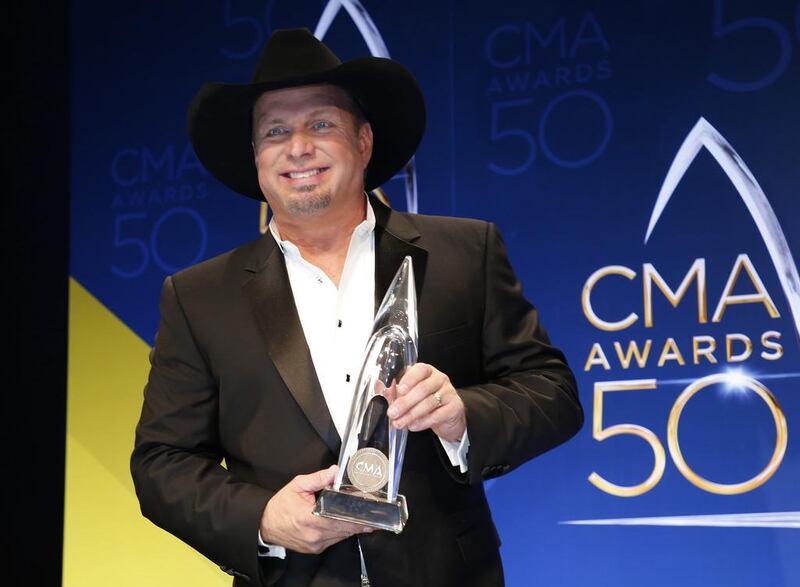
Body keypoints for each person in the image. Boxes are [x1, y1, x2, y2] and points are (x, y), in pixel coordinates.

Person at [131, 28, 583, 587]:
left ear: (364, 142)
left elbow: (552, 391)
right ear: (256, 159)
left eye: (321, 124)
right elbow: (161, 463)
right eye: (276, 131)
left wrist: (463, 415)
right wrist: (265, 519)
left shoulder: (464, 253)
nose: (298, 147)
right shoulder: (200, 297)